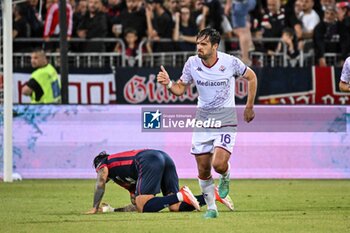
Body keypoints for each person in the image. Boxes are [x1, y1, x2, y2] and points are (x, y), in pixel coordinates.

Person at [157, 28, 257, 218]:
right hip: (203, 122)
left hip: (226, 120)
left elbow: (252, 77)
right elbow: (180, 89)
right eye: (197, 44)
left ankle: (225, 176)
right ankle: (212, 208)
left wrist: (249, 106)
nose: (199, 48)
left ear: (214, 46)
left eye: (203, 44)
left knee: (218, 164)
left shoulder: (230, 62)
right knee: (203, 169)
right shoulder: (192, 63)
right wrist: (169, 84)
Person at [86, 149, 234, 214]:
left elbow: (100, 182)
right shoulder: (122, 175)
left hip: (147, 159)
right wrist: (112, 210)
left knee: (145, 206)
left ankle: (181, 195)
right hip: (163, 157)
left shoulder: (104, 162)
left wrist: (94, 207)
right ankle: (212, 195)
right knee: (174, 206)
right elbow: (136, 204)